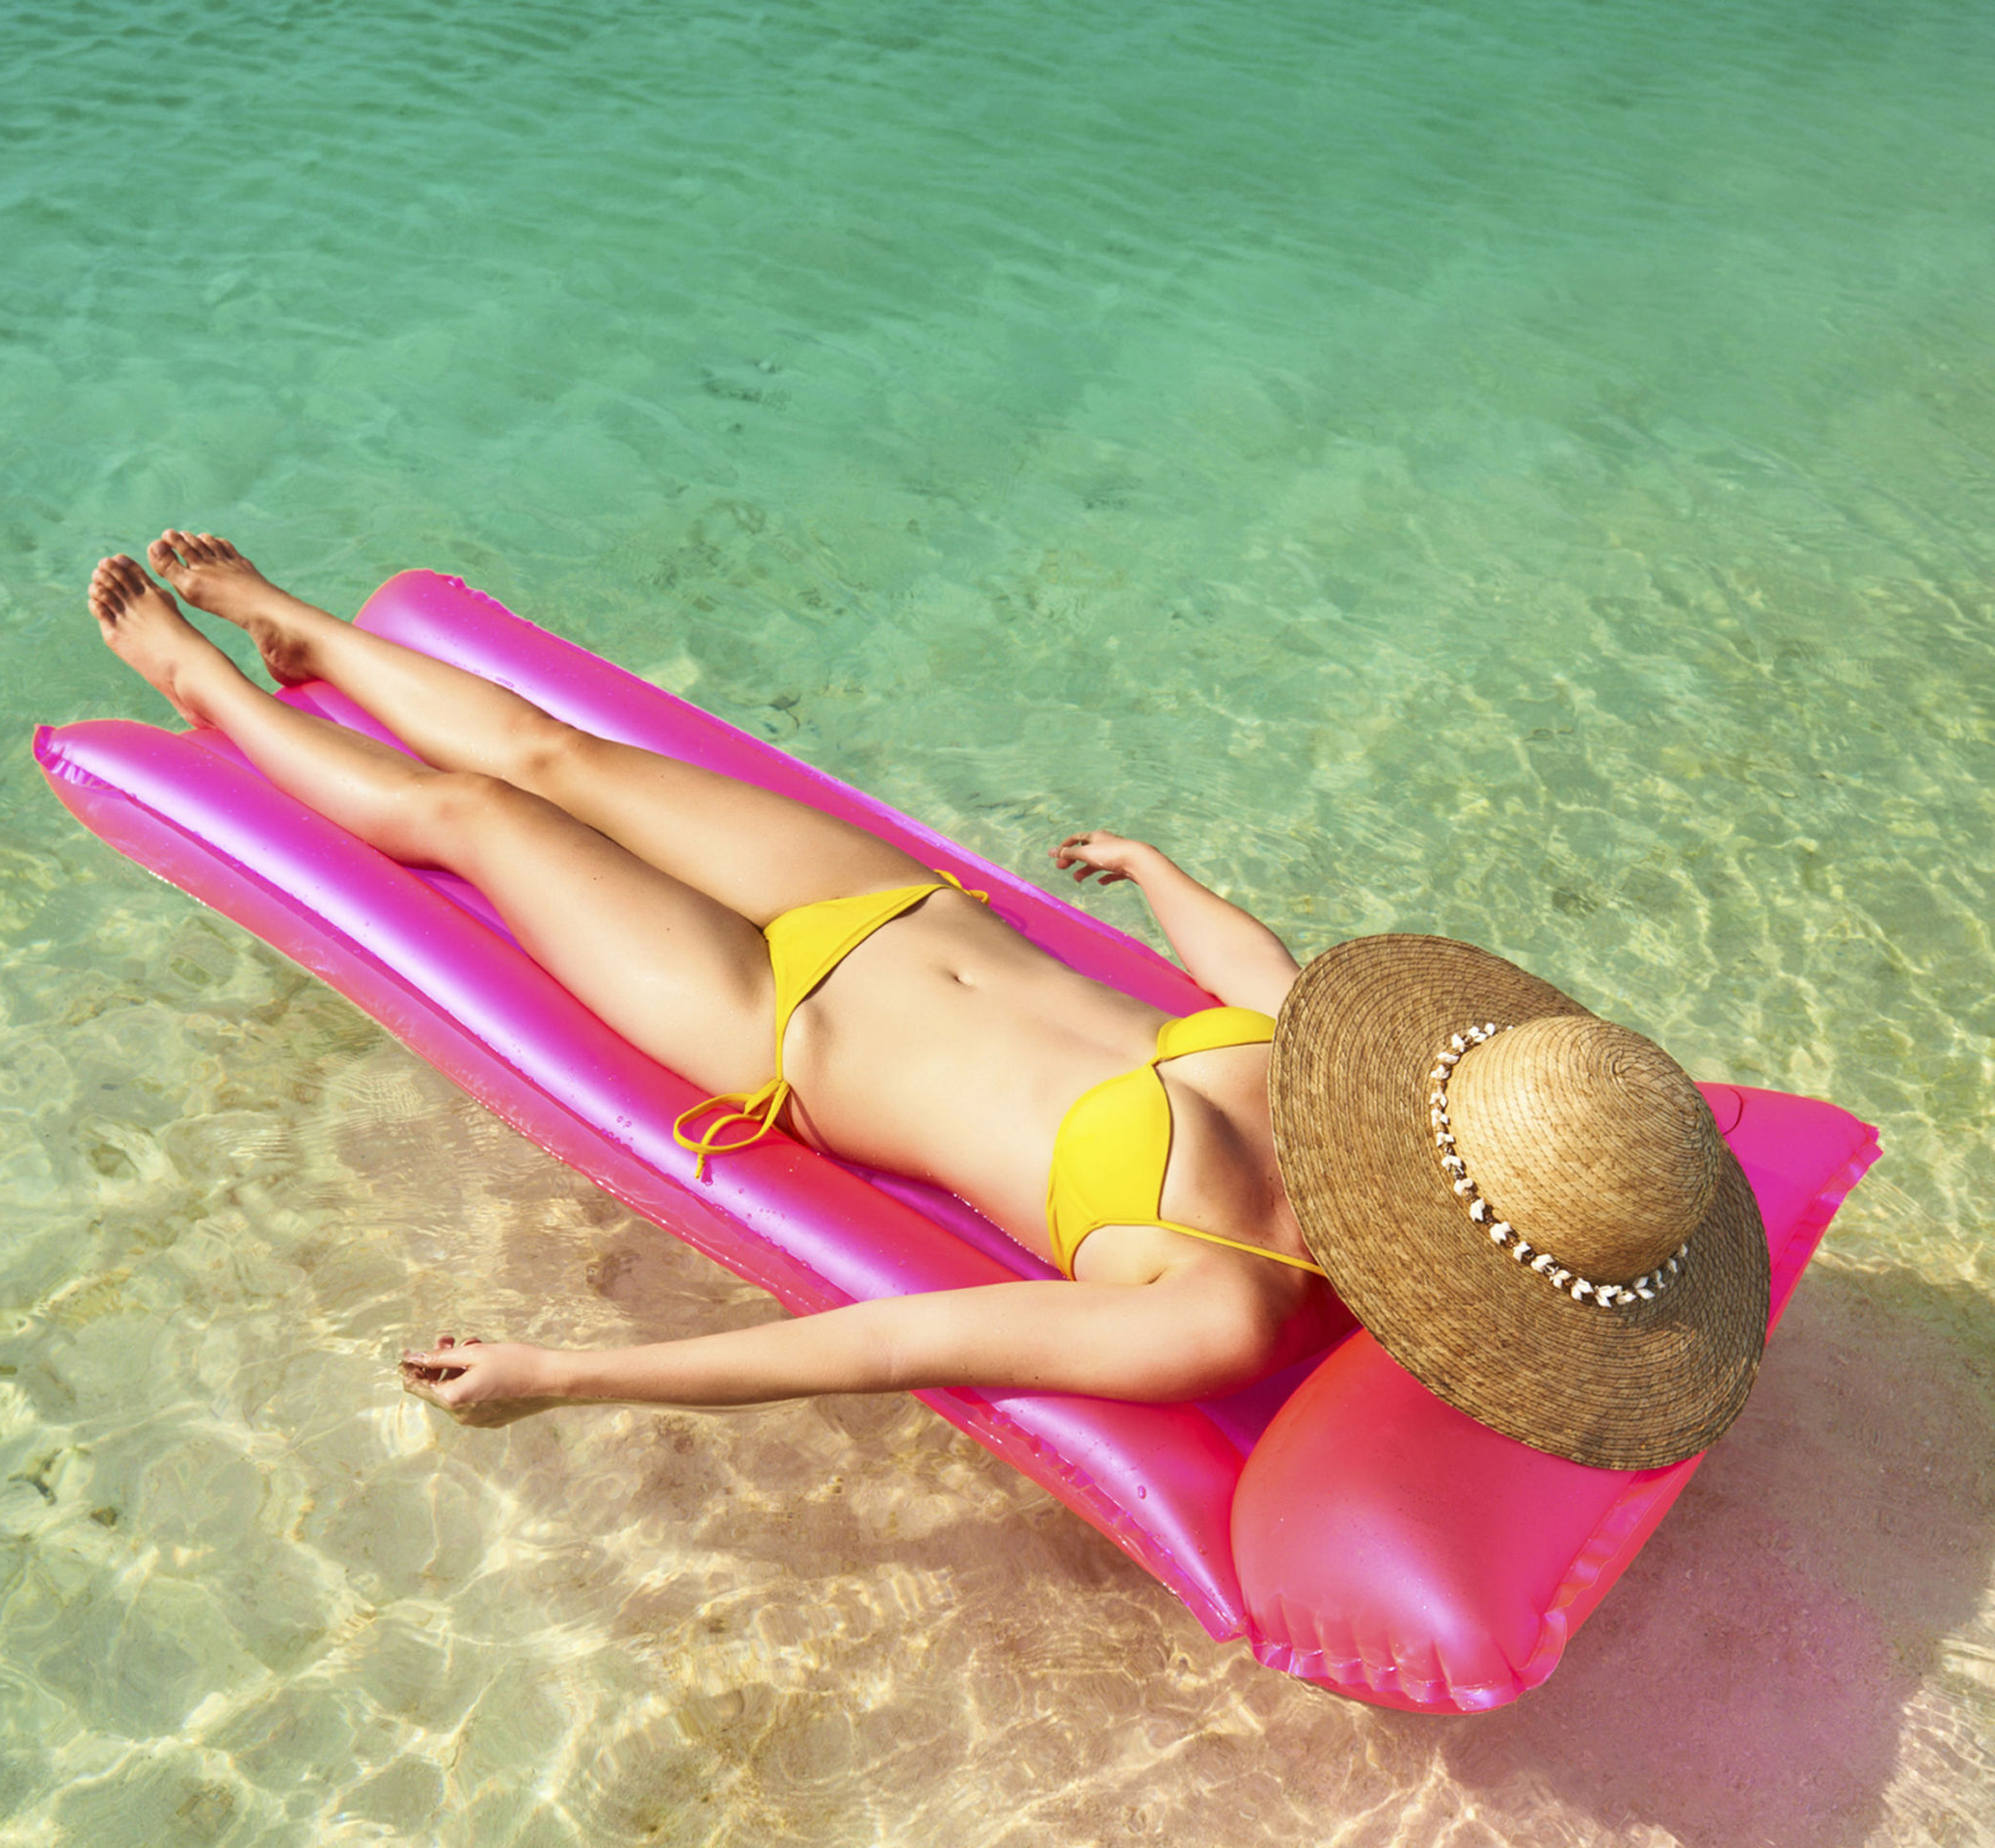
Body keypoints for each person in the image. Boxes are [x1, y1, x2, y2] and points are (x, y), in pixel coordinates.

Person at [86, 534, 1766, 1473]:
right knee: (557, 750)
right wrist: (1158, 862)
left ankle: (196, 688)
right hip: (884, 900)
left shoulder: (1221, 1311)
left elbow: (893, 1339)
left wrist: (564, 1372)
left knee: (476, 817)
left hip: (769, 1022)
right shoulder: (1339, 1074)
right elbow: (1252, 962)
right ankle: (302, 630)